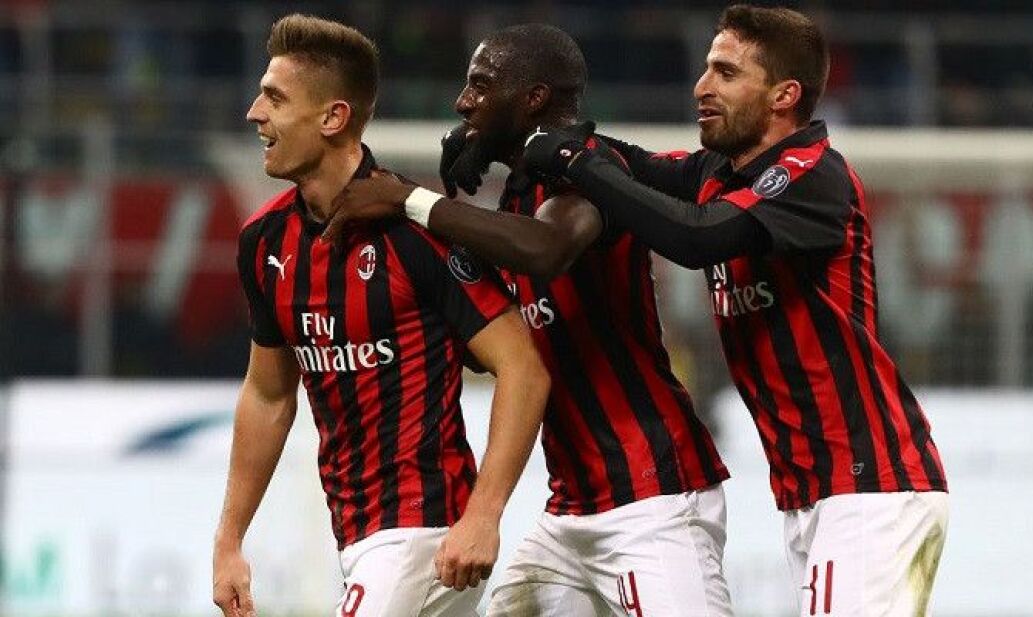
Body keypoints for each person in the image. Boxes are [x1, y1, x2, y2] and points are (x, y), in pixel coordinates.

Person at [519, 5, 949, 616]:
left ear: (784, 95)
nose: (702, 86)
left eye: (725, 72)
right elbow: (633, 166)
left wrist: (574, 160)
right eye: (706, 69)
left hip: (871, 484)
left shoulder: (811, 174)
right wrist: (515, 138)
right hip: (819, 491)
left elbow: (697, 237)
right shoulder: (718, 172)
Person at [324, 23, 733, 617]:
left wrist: (410, 199)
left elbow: (546, 248)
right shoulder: (519, 196)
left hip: (652, 497)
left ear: (533, 98)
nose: (462, 103)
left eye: (480, 86)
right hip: (571, 511)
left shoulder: (592, 173)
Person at [211, 15, 549, 617]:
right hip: (357, 535)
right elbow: (268, 394)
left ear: (333, 117)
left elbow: (523, 366)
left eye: (275, 98)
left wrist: (483, 515)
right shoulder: (264, 241)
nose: (254, 113)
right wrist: (230, 541)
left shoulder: (416, 232)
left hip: (425, 532)